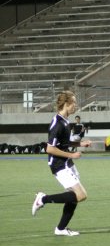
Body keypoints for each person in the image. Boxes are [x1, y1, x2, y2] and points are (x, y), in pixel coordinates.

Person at [31, 90, 92, 236]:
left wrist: (80, 144)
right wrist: (72, 154)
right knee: (81, 195)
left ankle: (61, 229)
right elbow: (50, 148)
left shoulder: (65, 121)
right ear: (66, 104)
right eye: (73, 103)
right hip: (59, 165)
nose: (75, 106)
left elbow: (63, 143)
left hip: (66, 163)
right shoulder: (57, 123)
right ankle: (42, 199)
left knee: (74, 197)